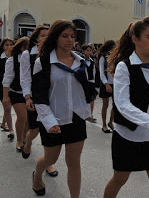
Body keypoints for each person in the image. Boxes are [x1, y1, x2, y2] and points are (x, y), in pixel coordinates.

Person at [104, 17, 149, 198]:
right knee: (119, 180)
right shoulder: (124, 67)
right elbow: (122, 103)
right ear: (135, 39)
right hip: (128, 136)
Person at [31, 19, 95, 197]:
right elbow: (40, 96)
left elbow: (84, 89)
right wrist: (49, 121)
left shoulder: (80, 62)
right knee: (51, 158)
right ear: (55, 37)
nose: (70, 40)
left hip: (75, 118)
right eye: (64, 36)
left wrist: (86, 110)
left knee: (74, 162)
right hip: (53, 118)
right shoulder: (43, 62)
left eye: (73, 36)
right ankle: (37, 176)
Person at [20, 25, 59, 176]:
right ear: (36, 38)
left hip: (51, 98)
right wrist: (28, 97)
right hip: (35, 97)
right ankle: (28, 141)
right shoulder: (27, 55)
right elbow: (25, 77)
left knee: (48, 131)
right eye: (42, 35)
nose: (45, 38)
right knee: (34, 130)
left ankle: (48, 163)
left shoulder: (54, 54)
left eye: (48, 35)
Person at [3, 37, 30, 151]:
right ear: (21, 47)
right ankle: (19, 140)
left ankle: (24, 138)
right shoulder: (12, 60)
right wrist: (5, 96)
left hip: (29, 93)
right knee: (22, 116)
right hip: (16, 92)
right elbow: (7, 78)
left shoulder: (31, 59)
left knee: (29, 119)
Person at [97, 40, 116, 133]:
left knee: (115, 105)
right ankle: (104, 124)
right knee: (105, 104)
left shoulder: (115, 56)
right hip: (105, 83)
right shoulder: (102, 57)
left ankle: (111, 122)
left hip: (115, 82)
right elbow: (101, 72)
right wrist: (106, 84)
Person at [0, 38, 15, 139]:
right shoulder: (0, 58)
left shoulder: (16, 58)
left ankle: (3, 123)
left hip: (12, 86)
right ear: (3, 46)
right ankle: (11, 130)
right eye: (7, 45)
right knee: (7, 107)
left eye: (11, 45)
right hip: (1, 86)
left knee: (8, 107)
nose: (9, 47)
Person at [81, 44, 97, 123]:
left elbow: (94, 71)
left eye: (90, 50)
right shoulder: (80, 60)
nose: (89, 52)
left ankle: (90, 115)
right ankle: (84, 114)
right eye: (87, 50)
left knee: (92, 98)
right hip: (83, 82)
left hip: (91, 81)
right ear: (83, 51)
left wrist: (93, 81)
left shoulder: (91, 60)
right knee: (83, 98)